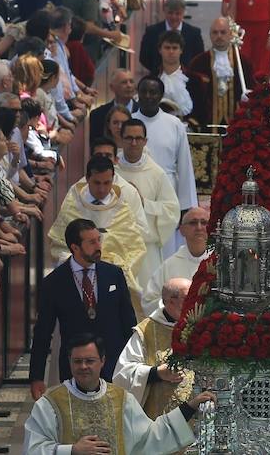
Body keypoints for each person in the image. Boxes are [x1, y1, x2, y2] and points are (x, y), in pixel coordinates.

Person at [25, 334, 211, 454]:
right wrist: (72, 450)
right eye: (77, 361)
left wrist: (189, 407)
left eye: (89, 361)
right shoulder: (51, 403)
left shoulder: (121, 399)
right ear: (69, 362)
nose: (83, 367)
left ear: (102, 361)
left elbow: (149, 437)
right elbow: (32, 449)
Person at [30, 220, 139, 393]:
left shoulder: (114, 274)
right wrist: (36, 377)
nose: (98, 246)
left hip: (114, 365)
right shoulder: (54, 282)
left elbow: (128, 321)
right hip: (76, 368)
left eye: (99, 240)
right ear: (75, 247)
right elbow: (43, 332)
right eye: (92, 242)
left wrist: (134, 365)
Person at [48, 155, 150, 309]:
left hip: (112, 277)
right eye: (97, 183)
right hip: (79, 277)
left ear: (113, 179)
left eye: (107, 183)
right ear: (87, 178)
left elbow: (135, 249)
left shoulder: (122, 209)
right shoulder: (73, 204)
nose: (102, 189)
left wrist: (114, 266)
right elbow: (59, 244)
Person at [113, 278, 193, 417]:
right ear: (169, 301)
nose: (193, 301)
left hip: (198, 417)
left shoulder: (202, 325)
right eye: (187, 297)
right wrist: (156, 373)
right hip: (160, 422)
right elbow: (123, 374)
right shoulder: (146, 331)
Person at [115, 118, 180, 275]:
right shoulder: (112, 171)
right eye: (129, 138)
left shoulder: (156, 173)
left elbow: (172, 210)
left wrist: (144, 203)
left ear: (145, 141)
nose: (134, 143)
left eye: (138, 138)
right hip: (115, 246)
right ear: (121, 140)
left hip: (146, 250)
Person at [132, 76, 198, 218]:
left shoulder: (174, 124)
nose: (148, 96)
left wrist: (186, 206)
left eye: (153, 92)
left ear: (161, 96)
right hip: (135, 189)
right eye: (144, 92)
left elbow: (184, 166)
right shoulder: (129, 122)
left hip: (167, 191)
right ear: (138, 94)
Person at [186, 16, 255, 129]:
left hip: (236, 124)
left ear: (230, 34)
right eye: (215, 32)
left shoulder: (243, 62)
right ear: (210, 35)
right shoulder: (198, 63)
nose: (219, 36)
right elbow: (192, 94)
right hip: (206, 122)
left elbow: (252, 89)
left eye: (223, 32)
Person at [143, 206, 210, 311]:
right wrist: (174, 304)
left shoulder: (220, 262)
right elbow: (149, 301)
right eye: (193, 223)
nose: (199, 227)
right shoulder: (169, 266)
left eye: (204, 223)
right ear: (182, 230)